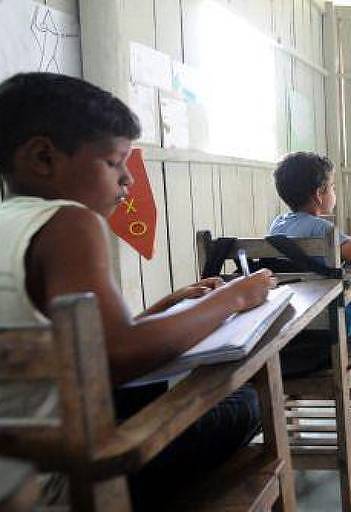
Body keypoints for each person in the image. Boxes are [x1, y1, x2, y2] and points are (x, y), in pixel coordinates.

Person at [0, 72, 276, 509]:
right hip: (65, 479)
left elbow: (77, 347)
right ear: (43, 158)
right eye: (114, 162)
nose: (127, 180)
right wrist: (235, 297)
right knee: (247, 402)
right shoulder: (69, 222)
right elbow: (116, 356)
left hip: (18, 456)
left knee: (151, 386)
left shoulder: (10, 223)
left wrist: (165, 309)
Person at [269, 152, 351, 338]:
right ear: (319, 194)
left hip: (290, 313)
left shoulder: (277, 224)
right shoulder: (322, 228)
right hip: (327, 316)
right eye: (333, 188)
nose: (334, 193)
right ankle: (341, 338)